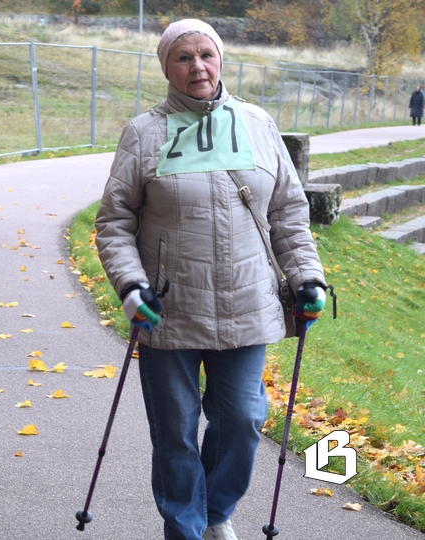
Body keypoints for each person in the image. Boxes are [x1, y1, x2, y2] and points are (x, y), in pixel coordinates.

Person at [94, 19, 327, 540]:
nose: (197, 66)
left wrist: (308, 276)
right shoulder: (145, 132)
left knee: (243, 421)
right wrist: (131, 287)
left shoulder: (257, 123)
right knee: (175, 433)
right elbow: (114, 222)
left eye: (206, 55)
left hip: (248, 302)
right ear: (165, 68)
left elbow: (289, 212)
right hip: (169, 309)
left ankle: (216, 511)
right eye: (183, 57)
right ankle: (186, 529)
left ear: (220, 59)